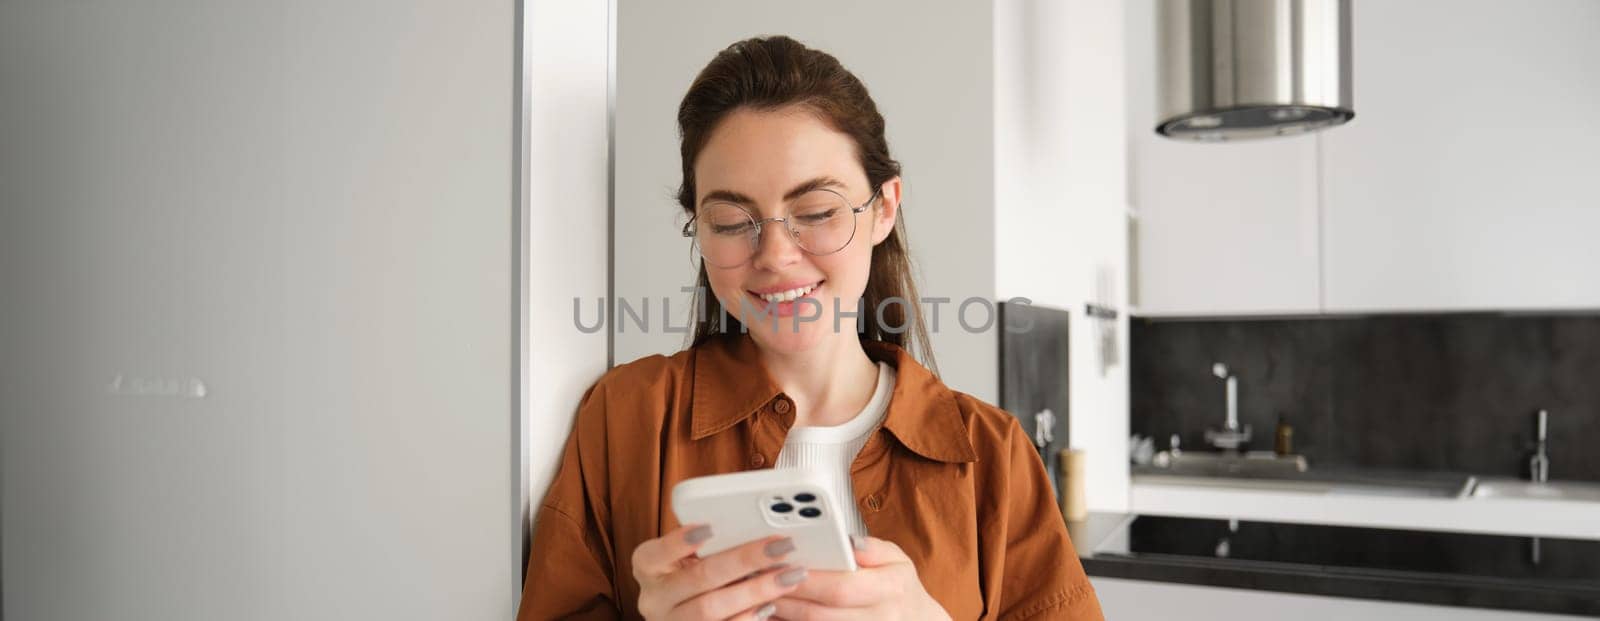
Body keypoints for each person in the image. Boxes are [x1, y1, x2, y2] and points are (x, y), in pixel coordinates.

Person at [518, 35, 1103, 620]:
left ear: (884, 209)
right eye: (728, 221)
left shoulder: (993, 456)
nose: (774, 255)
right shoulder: (625, 419)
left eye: (818, 212)